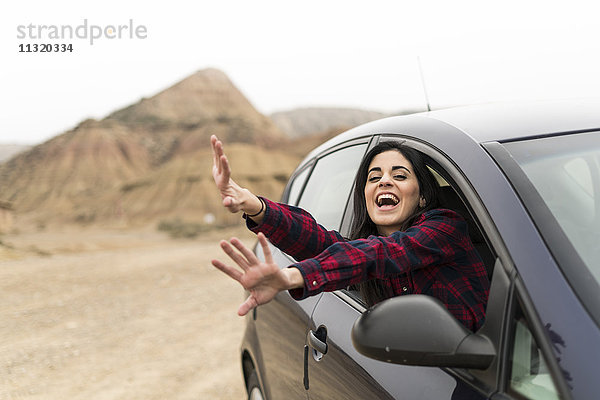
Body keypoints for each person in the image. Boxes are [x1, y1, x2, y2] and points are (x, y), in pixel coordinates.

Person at [210, 135, 490, 331]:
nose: (385, 181)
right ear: (365, 197)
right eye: (374, 177)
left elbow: (386, 253)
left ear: (423, 198)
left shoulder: (445, 226)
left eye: (400, 176)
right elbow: (320, 242)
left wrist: (292, 275)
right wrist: (255, 205)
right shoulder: (364, 251)